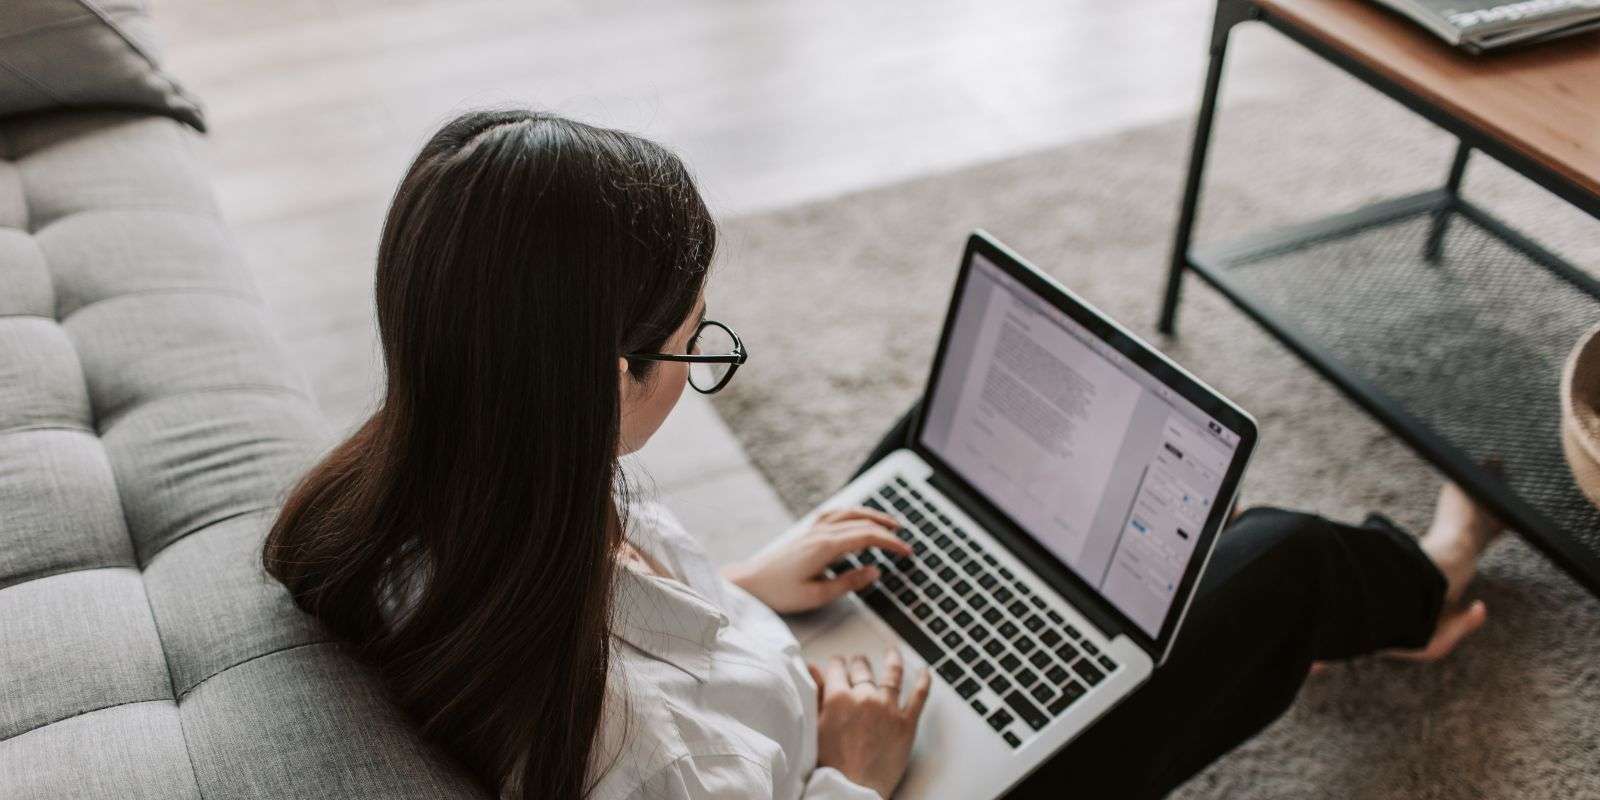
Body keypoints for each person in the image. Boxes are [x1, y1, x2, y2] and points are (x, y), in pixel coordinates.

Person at [262, 109, 1502, 800]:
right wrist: (857, 769)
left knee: (936, 458)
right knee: (1270, 561)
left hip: (773, 676)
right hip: (866, 773)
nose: (700, 366)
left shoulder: (441, 483)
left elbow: (596, 623)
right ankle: (1426, 581)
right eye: (696, 353)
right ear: (602, 380)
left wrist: (743, 587)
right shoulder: (633, 750)